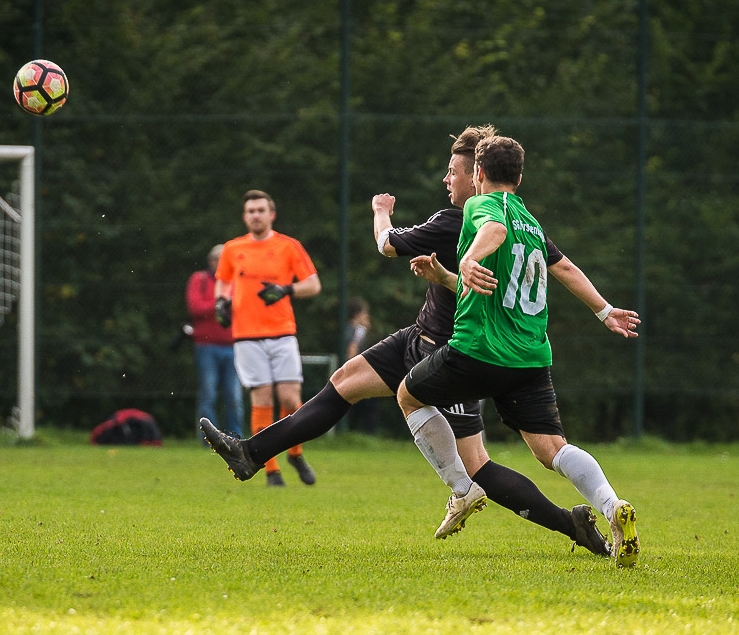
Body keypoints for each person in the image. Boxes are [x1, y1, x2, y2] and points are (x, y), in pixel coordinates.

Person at [200, 126, 610, 558]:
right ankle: (251, 453)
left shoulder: (459, 219)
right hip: (420, 337)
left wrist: (380, 211)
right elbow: (543, 271)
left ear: (476, 176)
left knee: (477, 465)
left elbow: (387, 244)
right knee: (343, 383)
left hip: (454, 351)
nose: (446, 179)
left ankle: (554, 519)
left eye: (453, 172)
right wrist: (603, 310)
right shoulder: (514, 221)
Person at [395, 133, 643, 568]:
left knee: (408, 396)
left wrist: (467, 258)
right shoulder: (532, 222)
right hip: (529, 359)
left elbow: (493, 230)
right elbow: (565, 267)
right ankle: (612, 505)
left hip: (478, 351)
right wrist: (604, 311)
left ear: (479, 173)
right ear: (521, 177)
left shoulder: (481, 205)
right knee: (552, 449)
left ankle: (461, 488)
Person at [213, 190, 321, 487]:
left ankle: (295, 453)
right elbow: (223, 282)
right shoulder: (233, 248)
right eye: (251, 211)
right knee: (261, 400)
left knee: (291, 399)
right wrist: (220, 303)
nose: (256, 215)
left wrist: (287, 289)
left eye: (261, 210)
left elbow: (313, 285)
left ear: (271, 214)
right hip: (246, 335)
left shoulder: (288, 246)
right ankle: (271, 470)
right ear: (244, 216)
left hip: (282, 332)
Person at [186, 244, 243, 439]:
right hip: (206, 346)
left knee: (234, 397)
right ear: (211, 261)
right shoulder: (199, 279)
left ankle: (235, 439)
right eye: (218, 260)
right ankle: (209, 439)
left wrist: (224, 305)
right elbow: (195, 308)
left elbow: (243, 308)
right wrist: (220, 304)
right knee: (208, 394)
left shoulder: (236, 281)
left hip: (233, 346)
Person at [343, 296, 378, 433]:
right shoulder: (359, 330)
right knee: (369, 403)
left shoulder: (346, 328)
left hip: (349, 373)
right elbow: (352, 348)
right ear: (358, 314)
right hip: (356, 372)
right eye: (365, 313)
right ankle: (368, 433)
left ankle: (350, 431)